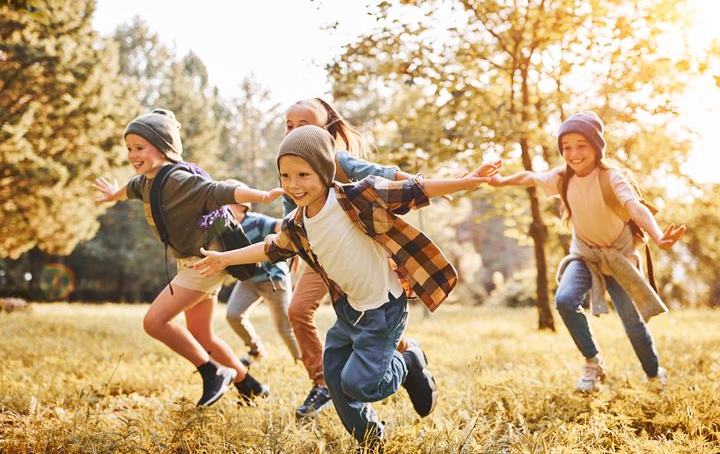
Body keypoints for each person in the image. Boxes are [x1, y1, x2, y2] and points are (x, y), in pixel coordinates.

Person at [194, 125, 503, 450]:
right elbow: (271, 248)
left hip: (384, 308)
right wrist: (224, 259)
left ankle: (408, 361)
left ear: (325, 171)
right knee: (336, 381)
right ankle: (371, 440)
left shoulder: (356, 197)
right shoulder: (296, 224)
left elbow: (412, 189)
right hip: (349, 310)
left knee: (360, 384)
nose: (294, 185)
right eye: (285, 176)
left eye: (303, 174)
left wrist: (470, 180)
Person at [92, 108, 283, 406]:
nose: (132, 154)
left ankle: (212, 373)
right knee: (201, 334)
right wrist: (112, 194)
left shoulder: (179, 179)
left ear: (164, 148)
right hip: (192, 261)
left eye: (140, 148)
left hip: (207, 261)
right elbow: (129, 190)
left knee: (154, 322)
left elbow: (219, 191)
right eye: (129, 148)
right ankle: (250, 386)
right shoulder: (145, 182)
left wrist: (261, 196)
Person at [488, 111, 685, 392]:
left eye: (581, 145)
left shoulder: (611, 177)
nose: (573, 153)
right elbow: (530, 176)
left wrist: (658, 236)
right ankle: (593, 361)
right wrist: (500, 181)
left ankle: (654, 374)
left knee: (632, 322)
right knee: (566, 300)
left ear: (596, 146)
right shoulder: (562, 177)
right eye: (566, 147)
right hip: (585, 255)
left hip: (619, 258)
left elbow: (634, 207)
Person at [283, 98, 418, 418]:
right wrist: (293, 253)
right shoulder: (290, 165)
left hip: (361, 252)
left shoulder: (339, 160)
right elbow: (291, 215)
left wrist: (419, 185)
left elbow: (384, 174)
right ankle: (322, 384)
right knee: (298, 310)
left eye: (304, 125)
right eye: (289, 126)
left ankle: (405, 359)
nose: (293, 131)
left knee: (371, 316)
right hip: (322, 258)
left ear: (326, 128)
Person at [224, 191, 302, 365]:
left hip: (273, 280)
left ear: (241, 205)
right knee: (233, 315)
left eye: (225, 202)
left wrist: (296, 245)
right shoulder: (226, 229)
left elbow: (281, 226)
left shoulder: (257, 221)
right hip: (248, 281)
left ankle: (301, 360)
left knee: (284, 327)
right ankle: (256, 350)